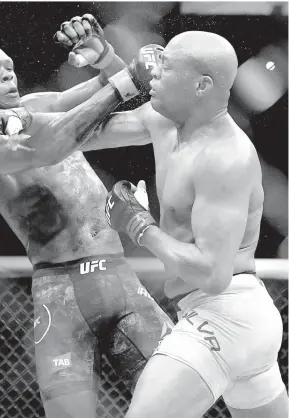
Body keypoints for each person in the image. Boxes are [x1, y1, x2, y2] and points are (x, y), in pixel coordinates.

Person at [0, 15, 173, 418]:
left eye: (10, 68)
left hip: (120, 278)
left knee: (176, 400)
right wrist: (124, 81)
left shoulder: (37, 108)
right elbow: (52, 147)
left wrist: (103, 55)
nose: (7, 76)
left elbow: (116, 88)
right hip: (60, 292)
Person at [88, 31, 287, 418]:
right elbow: (83, 133)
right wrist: (108, 69)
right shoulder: (169, 126)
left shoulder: (224, 155)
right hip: (241, 320)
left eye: (169, 65)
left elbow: (212, 274)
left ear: (201, 85)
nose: (155, 70)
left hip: (221, 318)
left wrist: (138, 225)